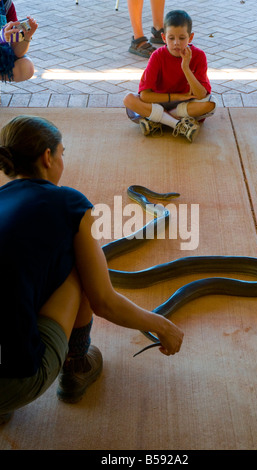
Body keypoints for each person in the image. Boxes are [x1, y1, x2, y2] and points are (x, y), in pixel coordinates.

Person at [0, 115, 184, 425]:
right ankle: (77, 364)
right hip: (15, 380)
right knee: (79, 260)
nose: (62, 159)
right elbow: (104, 301)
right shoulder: (68, 203)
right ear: (48, 157)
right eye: (62, 152)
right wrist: (163, 327)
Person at [124, 10, 217, 142]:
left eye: (182, 38)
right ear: (163, 37)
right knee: (129, 99)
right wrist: (176, 96)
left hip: (184, 105)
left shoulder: (199, 55)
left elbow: (202, 95)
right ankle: (177, 124)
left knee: (211, 104)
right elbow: (145, 95)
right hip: (159, 101)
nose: (176, 43)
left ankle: (157, 120)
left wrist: (185, 67)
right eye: (171, 38)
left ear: (190, 37)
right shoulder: (157, 56)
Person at [0, 0, 37, 82]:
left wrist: (27, 37)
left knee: (25, 67)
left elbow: (17, 52)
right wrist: (1, 38)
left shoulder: (6, 4)